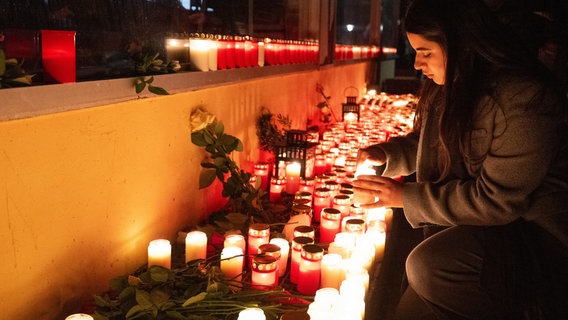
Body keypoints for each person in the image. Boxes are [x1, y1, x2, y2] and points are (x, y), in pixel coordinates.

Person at [353, 0, 568, 319]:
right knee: (415, 289)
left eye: (426, 52)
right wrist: (386, 156)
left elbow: (499, 200)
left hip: (530, 244)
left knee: (426, 265)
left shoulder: (525, 99)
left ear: (462, 41)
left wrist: (403, 196)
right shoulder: (452, 88)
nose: (416, 64)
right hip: (471, 236)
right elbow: (432, 142)